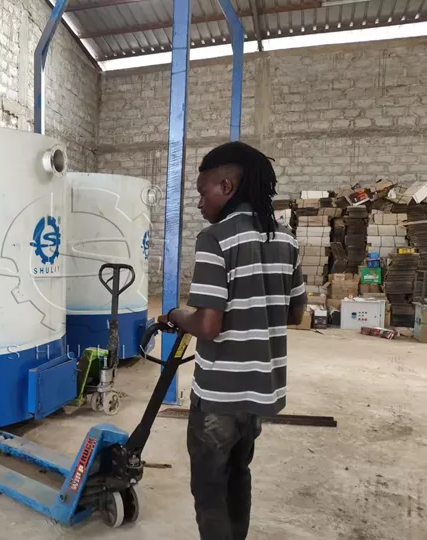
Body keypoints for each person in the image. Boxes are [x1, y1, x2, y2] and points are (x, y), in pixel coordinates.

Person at [158, 142, 307, 539]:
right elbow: (295, 314)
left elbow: (207, 325)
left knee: (209, 488)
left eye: (202, 191)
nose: (199, 202)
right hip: (260, 389)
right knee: (239, 474)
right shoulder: (287, 240)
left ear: (226, 186)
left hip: (220, 393)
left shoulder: (216, 238)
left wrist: (174, 316)